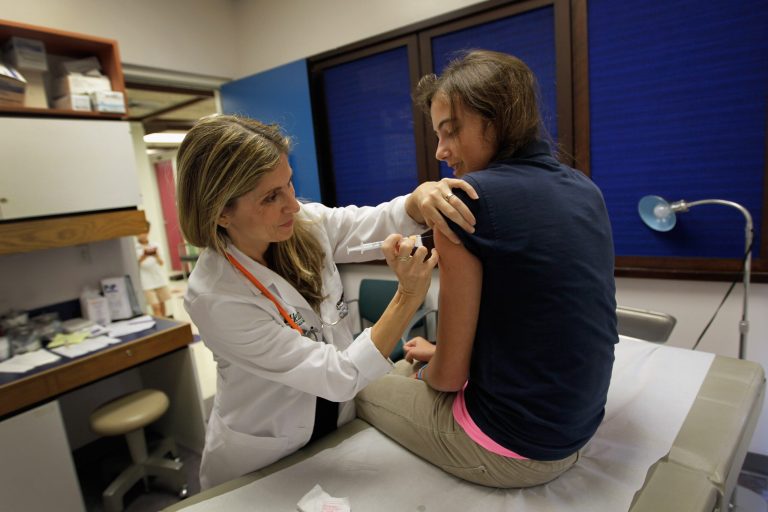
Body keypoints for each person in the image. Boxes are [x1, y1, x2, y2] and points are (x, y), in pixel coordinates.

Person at [356, 50, 618, 489]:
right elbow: (538, 324)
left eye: (450, 132)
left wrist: (425, 371)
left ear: (495, 120)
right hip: (577, 430)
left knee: (359, 383)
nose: (441, 152)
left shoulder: (464, 199)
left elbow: (450, 380)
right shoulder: (584, 188)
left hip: (513, 450)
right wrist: (441, 354)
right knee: (421, 358)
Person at [175, 114, 477, 489]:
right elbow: (339, 376)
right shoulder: (215, 296)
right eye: (271, 197)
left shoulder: (302, 228)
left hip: (335, 429)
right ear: (220, 212)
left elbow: (373, 221)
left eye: (288, 184)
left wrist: (418, 202)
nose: (294, 206)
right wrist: (407, 297)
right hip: (264, 459)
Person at [136, 222, 172, 317]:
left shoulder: (156, 245)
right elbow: (135, 264)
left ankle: (166, 326)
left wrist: (156, 255)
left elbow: (161, 263)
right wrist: (143, 256)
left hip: (159, 279)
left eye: (144, 232)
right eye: (140, 232)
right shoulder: (134, 248)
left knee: (162, 304)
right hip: (146, 282)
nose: (142, 234)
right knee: (155, 306)